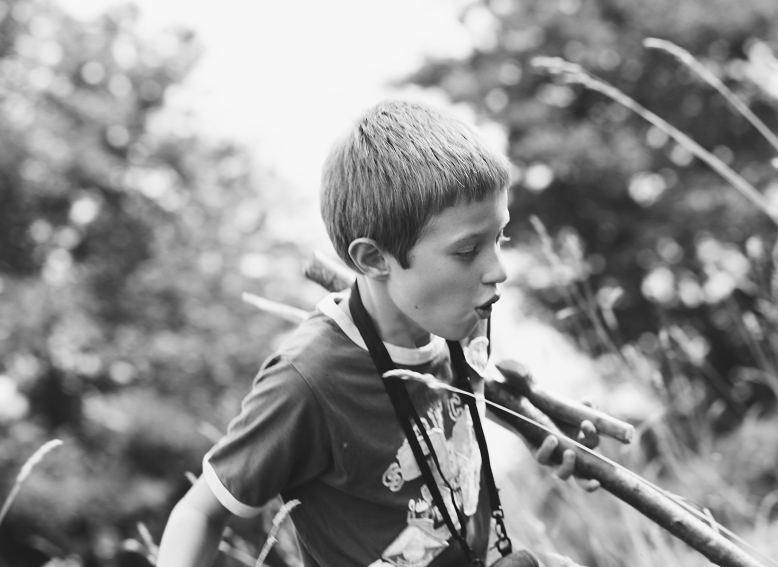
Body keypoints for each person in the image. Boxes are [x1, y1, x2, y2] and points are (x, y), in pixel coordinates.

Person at [156, 100, 598, 567]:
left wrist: (537, 431)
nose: (498, 270)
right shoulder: (308, 381)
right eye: (468, 251)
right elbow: (199, 513)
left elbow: (457, 406)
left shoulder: (459, 318)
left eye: (499, 237)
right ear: (373, 259)